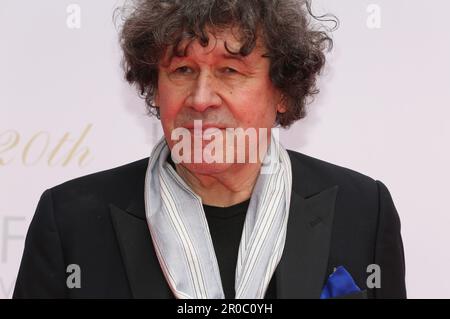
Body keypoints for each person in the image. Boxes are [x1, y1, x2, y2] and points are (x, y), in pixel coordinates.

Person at [14, 0, 406, 299]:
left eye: (230, 71)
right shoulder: (70, 220)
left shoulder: (363, 209)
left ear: (283, 90)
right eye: (182, 70)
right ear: (155, 85)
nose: (200, 99)